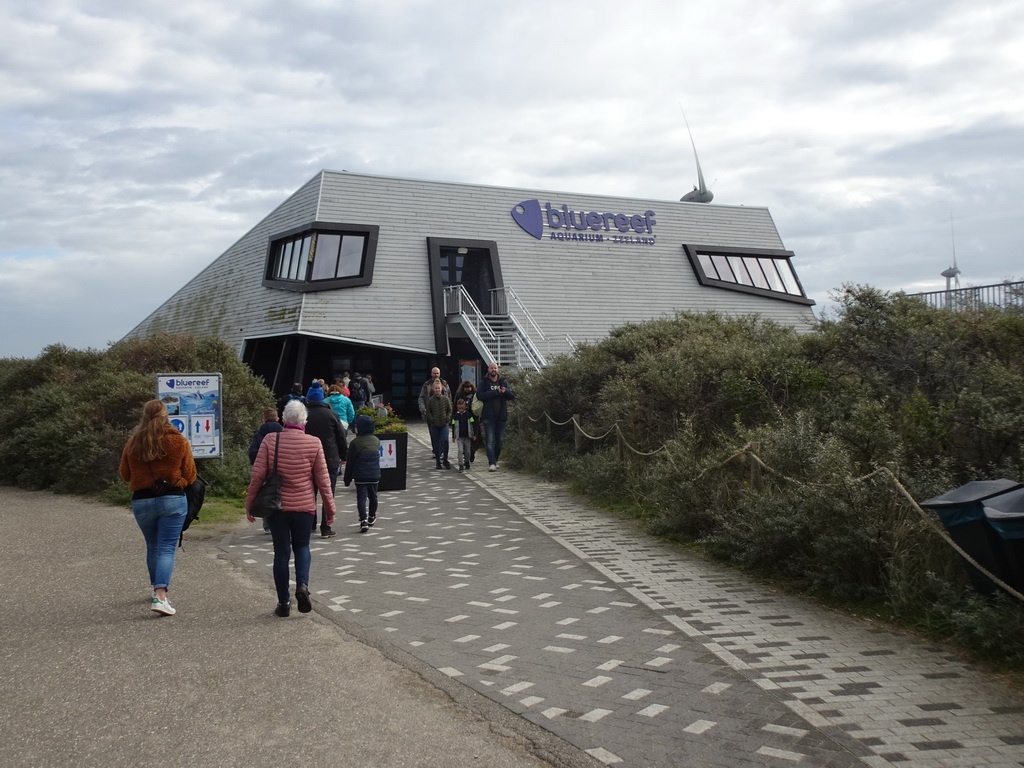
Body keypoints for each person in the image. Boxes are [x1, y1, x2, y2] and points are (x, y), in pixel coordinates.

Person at [245, 399, 336, 617]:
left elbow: (257, 475)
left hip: (277, 507)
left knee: (281, 553)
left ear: (283, 419)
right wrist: (330, 509)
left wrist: (249, 504)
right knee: (302, 546)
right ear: (304, 421)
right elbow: (323, 480)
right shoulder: (314, 443)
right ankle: (302, 586)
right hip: (304, 507)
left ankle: (283, 603)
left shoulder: (270, 440)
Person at [119, 399, 197, 616]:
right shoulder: (178, 441)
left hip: (142, 501)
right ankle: (160, 595)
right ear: (166, 416)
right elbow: (190, 475)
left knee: (153, 546)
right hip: (172, 499)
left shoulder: (133, 442)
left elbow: (125, 474)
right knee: (166, 548)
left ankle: (157, 590)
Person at [303, 380, 346, 537]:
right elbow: (341, 436)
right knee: (328, 494)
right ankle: (326, 528)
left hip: (308, 460)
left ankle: (310, 524)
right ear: (321, 398)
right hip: (330, 459)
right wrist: (344, 455)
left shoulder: (303, 415)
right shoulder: (331, 414)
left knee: (310, 493)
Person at [343, 414, 381, 533]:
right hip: (374, 474)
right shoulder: (376, 441)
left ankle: (363, 520)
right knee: (373, 496)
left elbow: (350, 462)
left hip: (360, 475)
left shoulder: (355, 443)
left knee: (361, 497)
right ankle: (372, 516)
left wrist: (347, 479)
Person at [248, 407, 284, 533]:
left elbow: (252, 453)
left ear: (263, 420)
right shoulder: (283, 432)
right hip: (280, 469)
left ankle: (267, 522)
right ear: (278, 419)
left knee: (265, 494)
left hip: (265, 470)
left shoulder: (259, 434)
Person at [478, 362, 515, 471]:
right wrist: (495, 392)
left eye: (495, 368)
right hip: (488, 416)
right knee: (489, 440)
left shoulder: (503, 381)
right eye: (491, 368)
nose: (493, 370)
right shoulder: (483, 382)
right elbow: (480, 395)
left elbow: (512, 395)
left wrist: (505, 391)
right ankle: (492, 463)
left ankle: (495, 459)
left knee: (500, 440)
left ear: (497, 369)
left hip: (501, 416)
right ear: (488, 369)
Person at [425, 380, 453, 469]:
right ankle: (438, 461)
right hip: (435, 425)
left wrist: (448, 418)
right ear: (433, 389)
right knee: (436, 443)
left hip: (444, 424)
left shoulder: (445, 399)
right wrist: (432, 419)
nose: (437, 390)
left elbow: (450, 409)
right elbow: (428, 411)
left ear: (441, 389)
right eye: (436, 388)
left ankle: (445, 459)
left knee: (445, 441)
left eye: (439, 388)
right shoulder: (430, 400)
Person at [453, 380, 480, 463]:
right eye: (466, 388)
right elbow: (455, 406)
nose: (468, 389)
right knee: (465, 436)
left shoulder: (475, 394)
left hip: (473, 418)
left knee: (474, 437)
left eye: (469, 387)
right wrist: (454, 418)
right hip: (462, 419)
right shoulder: (459, 395)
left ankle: (472, 451)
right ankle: (466, 454)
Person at [450, 398, 477, 472]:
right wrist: (453, 436)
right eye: (459, 408)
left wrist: (474, 434)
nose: (461, 410)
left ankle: (467, 461)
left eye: (462, 408)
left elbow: (473, 424)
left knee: (468, 451)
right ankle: (461, 465)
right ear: (457, 407)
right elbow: (453, 426)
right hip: (459, 437)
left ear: (465, 407)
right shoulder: (455, 416)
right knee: (460, 451)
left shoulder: (469, 415)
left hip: (468, 437)